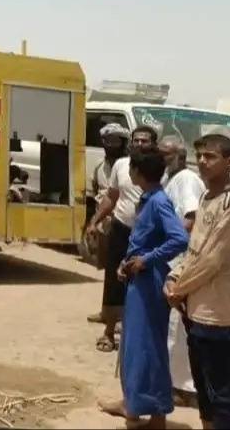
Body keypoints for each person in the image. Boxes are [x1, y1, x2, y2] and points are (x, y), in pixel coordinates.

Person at [166, 134, 230, 430]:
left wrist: (178, 289)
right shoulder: (207, 197)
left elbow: (211, 260)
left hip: (219, 314)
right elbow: (194, 249)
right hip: (196, 308)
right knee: (203, 387)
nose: (202, 161)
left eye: (210, 156)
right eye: (200, 155)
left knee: (220, 391)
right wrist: (174, 276)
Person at [99, 148, 189, 428]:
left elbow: (179, 238)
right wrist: (127, 263)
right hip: (138, 280)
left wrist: (146, 260)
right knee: (132, 346)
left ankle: (158, 415)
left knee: (148, 347)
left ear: (137, 172)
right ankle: (132, 404)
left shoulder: (159, 202)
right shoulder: (147, 199)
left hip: (150, 283)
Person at [86, 124, 160, 352]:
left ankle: (135, 334)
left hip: (147, 234)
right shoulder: (121, 165)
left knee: (141, 281)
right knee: (113, 280)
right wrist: (94, 221)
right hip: (121, 228)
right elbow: (111, 197)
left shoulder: (159, 169)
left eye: (144, 141)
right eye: (136, 140)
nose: (139, 144)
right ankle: (109, 332)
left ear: (153, 144)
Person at [160, 136, 204, 407]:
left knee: (179, 329)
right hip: (174, 260)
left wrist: (167, 246)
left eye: (167, 155)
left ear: (179, 155)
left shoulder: (186, 179)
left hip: (181, 260)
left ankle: (185, 389)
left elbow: (190, 216)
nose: (163, 159)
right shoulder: (171, 179)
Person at [84, 123, 129, 268]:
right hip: (104, 225)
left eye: (114, 141)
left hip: (123, 224)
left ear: (122, 143)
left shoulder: (129, 167)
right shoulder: (99, 167)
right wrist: (93, 222)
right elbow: (95, 193)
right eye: (107, 141)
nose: (110, 145)